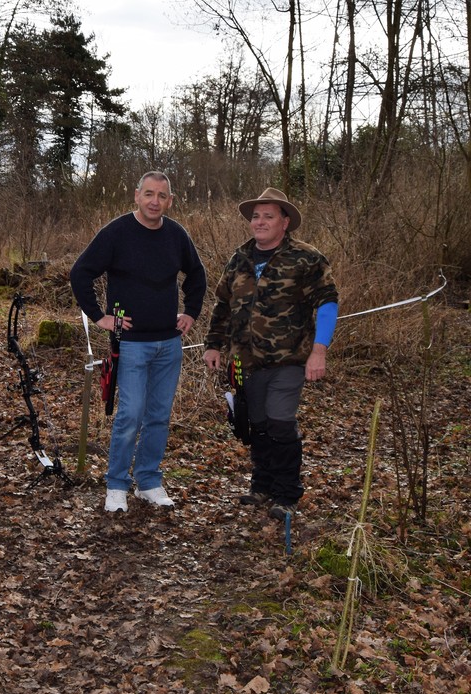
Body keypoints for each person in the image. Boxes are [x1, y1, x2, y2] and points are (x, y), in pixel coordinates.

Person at [70, 171, 206, 512]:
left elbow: (197, 274)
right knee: (130, 414)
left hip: (169, 343)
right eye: (149, 194)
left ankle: (148, 481)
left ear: (170, 201)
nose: (154, 201)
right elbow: (81, 272)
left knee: (158, 415)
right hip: (130, 343)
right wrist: (99, 316)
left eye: (161, 196)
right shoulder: (117, 232)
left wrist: (191, 312)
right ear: (137, 195)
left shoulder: (176, 235)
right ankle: (116, 485)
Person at [203, 187, 338, 521]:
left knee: (279, 421)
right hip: (244, 361)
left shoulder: (306, 258)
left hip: (288, 360)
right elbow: (222, 305)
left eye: (268, 216)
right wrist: (213, 344)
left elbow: (327, 302)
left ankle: (287, 493)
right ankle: (262, 485)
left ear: (285, 222)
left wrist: (319, 350)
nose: (260, 222)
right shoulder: (240, 258)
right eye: (255, 216)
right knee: (257, 424)